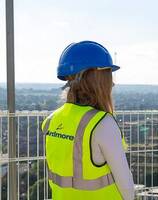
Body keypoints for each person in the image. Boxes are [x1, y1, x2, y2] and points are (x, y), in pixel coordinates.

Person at [41, 41, 135, 199]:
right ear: (96, 77)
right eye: (108, 75)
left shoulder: (51, 121)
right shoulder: (102, 124)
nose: (112, 83)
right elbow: (127, 188)